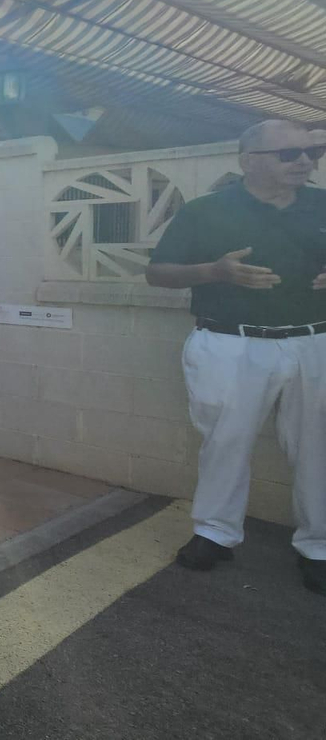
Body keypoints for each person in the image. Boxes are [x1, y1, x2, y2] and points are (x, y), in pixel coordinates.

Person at [145, 119, 326, 596]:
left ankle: (319, 546)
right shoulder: (206, 211)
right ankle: (214, 534)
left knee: (318, 447)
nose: (305, 162)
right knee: (225, 441)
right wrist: (215, 271)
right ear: (249, 160)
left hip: (314, 343)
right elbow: (157, 273)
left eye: (312, 152)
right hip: (230, 344)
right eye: (289, 154)